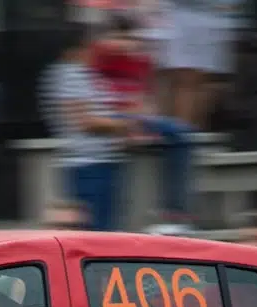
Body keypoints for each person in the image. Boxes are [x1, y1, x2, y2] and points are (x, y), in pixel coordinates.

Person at [91, 13, 195, 233]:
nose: (126, 43)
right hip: (106, 119)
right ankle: (112, 229)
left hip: (135, 118)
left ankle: (174, 213)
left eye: (130, 37)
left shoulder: (141, 60)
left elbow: (146, 97)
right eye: (119, 37)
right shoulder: (98, 57)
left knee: (182, 133)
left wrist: (142, 122)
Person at [41, 21, 133, 231]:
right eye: (92, 45)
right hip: (89, 167)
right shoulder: (70, 75)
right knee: (99, 237)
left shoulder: (73, 74)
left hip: (96, 165)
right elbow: (85, 121)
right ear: (79, 47)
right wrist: (123, 125)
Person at [159, 0, 243, 130]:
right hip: (184, 17)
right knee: (184, 79)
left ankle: (193, 131)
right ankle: (180, 131)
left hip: (218, 17)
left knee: (209, 81)